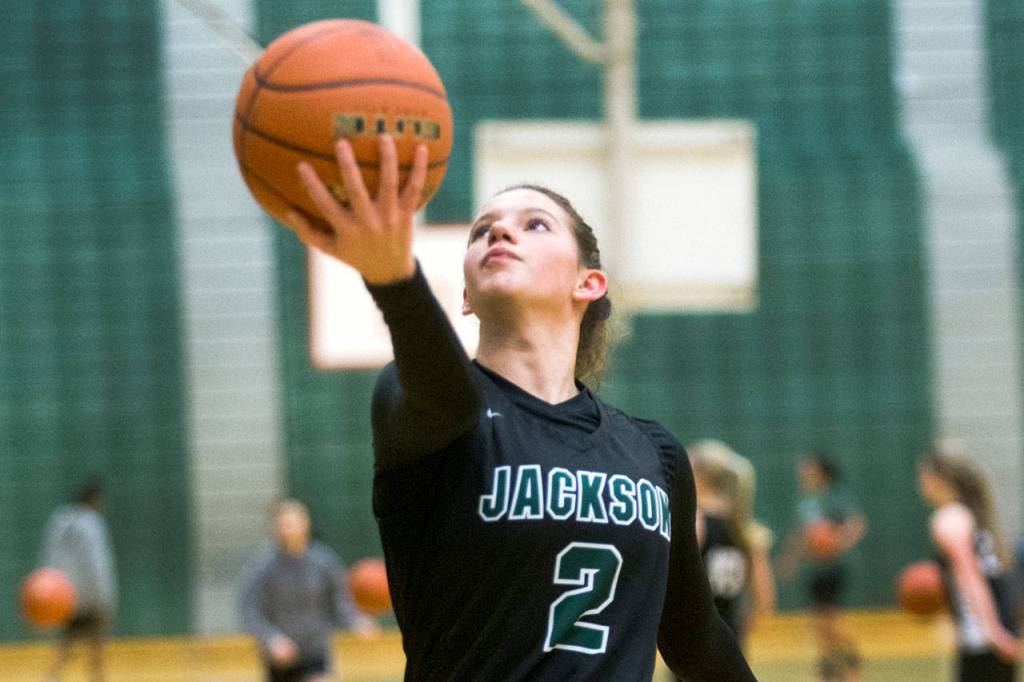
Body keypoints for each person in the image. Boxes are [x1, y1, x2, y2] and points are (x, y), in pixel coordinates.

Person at [280, 136, 755, 680]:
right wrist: (395, 278)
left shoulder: (655, 454)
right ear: (465, 296)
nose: (499, 231)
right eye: (482, 230)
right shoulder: (415, 403)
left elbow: (696, 640)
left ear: (589, 283)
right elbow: (447, 398)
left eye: (535, 224)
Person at [240, 499, 379, 682]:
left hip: (316, 652)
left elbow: (339, 600)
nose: (289, 529)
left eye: (293, 523)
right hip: (281, 658)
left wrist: (357, 621)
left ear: (306, 524)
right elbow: (250, 610)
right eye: (283, 524)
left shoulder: (324, 562)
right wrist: (272, 639)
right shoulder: (262, 568)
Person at [917, 449, 1021, 681]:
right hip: (995, 626)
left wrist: (993, 631)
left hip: (982, 635)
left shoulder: (949, 518)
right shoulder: (971, 515)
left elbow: (970, 575)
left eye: (922, 476)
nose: (919, 483)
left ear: (939, 480)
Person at [777, 451, 866, 682]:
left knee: (830, 621)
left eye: (809, 469)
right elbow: (802, 536)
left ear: (821, 472)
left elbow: (857, 525)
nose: (804, 473)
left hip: (834, 567)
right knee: (820, 624)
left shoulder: (835, 497)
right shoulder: (806, 502)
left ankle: (851, 662)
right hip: (814, 568)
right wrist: (790, 560)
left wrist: (837, 541)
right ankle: (830, 670)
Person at [689, 440, 776, 643]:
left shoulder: (695, 522)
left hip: (693, 636)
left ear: (698, 476)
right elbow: (765, 600)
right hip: (731, 636)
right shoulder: (747, 530)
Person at [40, 479, 117, 682]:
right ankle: (97, 676)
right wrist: (104, 597)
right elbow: (96, 563)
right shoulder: (92, 523)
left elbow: (49, 557)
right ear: (94, 500)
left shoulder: (61, 520)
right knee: (98, 638)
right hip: (91, 592)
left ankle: (53, 675)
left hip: (64, 591)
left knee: (69, 636)